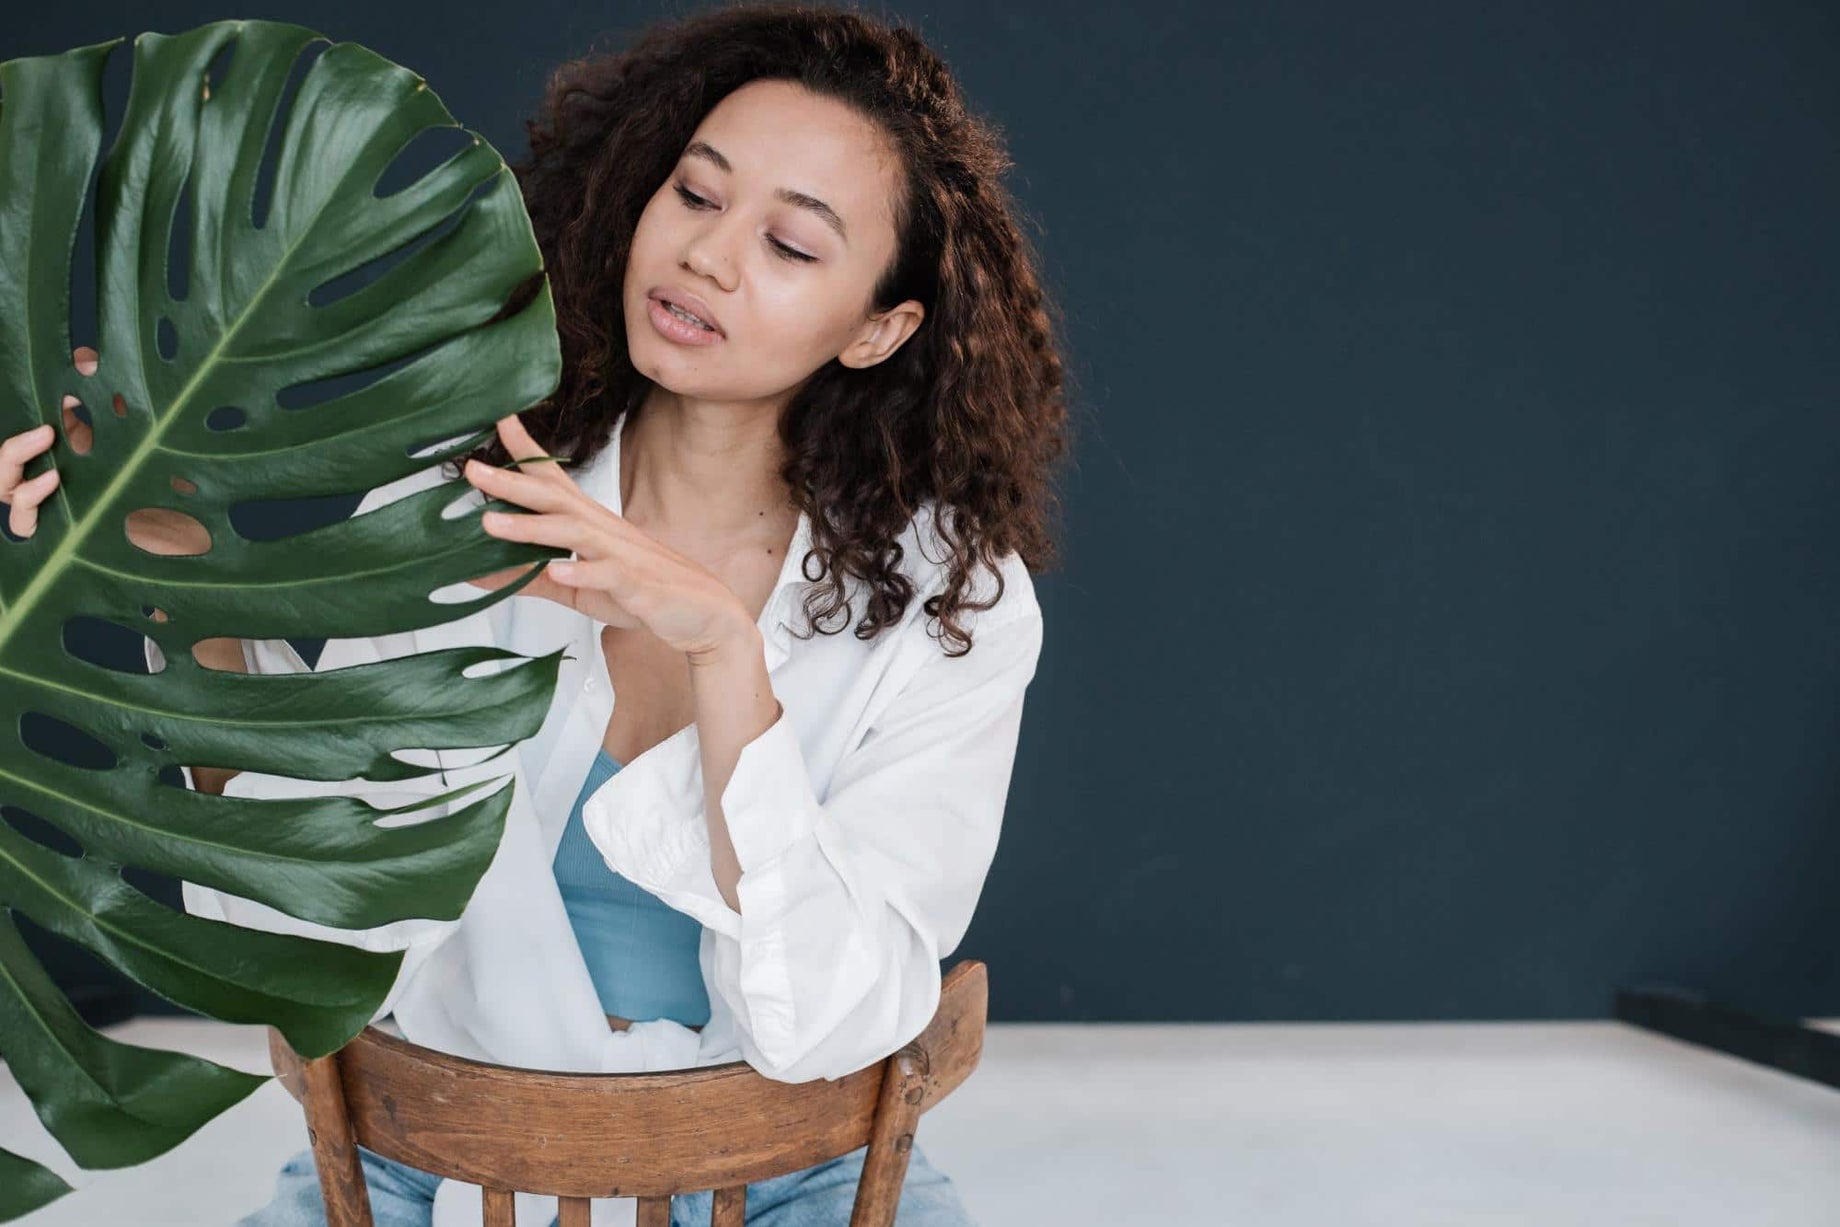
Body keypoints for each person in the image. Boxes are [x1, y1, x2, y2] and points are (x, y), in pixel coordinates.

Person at [0, 3, 1069, 1224]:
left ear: (879, 327)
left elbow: (840, 1014)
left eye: (791, 245)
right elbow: (302, 905)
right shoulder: (458, 510)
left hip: (794, 1180)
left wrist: (725, 656)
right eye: (696, 194)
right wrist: (174, 567)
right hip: (431, 1165)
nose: (708, 256)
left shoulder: (952, 605)